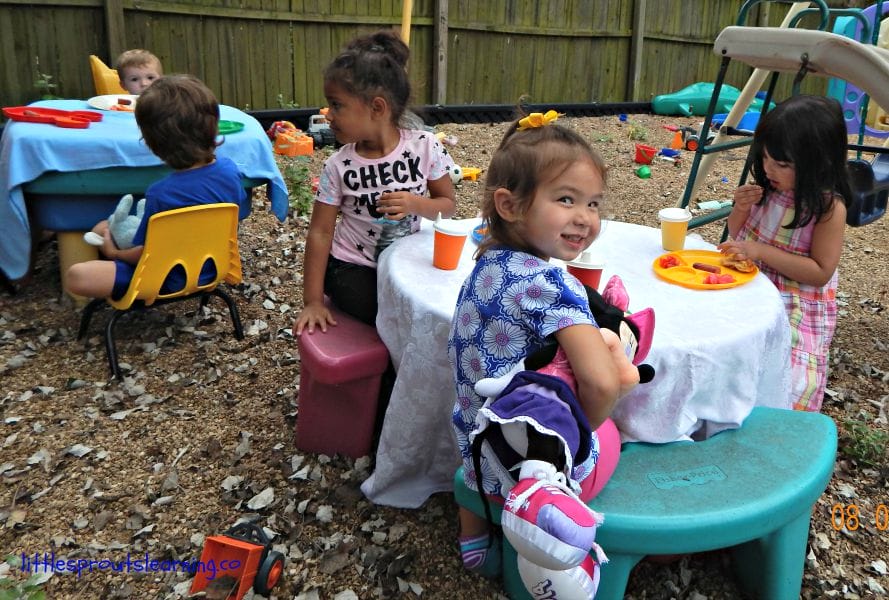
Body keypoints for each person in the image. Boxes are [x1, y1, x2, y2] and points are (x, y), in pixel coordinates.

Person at [448, 112, 640, 585]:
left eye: (594, 204)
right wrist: (584, 430)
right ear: (509, 205)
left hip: (475, 444)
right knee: (617, 429)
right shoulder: (553, 284)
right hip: (528, 466)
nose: (585, 218)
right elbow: (601, 379)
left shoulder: (487, 261)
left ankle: (474, 535)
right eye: (566, 199)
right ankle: (558, 524)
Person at [294, 29, 457, 333]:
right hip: (352, 267)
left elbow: (447, 207)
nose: (328, 115)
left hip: (404, 261)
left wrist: (414, 203)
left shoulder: (425, 146)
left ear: (377, 108)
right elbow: (320, 232)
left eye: (337, 105)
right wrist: (312, 301)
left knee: (431, 302)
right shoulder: (338, 165)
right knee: (391, 315)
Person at [719, 94, 851, 412]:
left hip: (796, 299)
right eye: (764, 158)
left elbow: (820, 271)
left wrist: (759, 250)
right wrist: (740, 208)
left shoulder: (828, 209)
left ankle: (777, 424)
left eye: (782, 164)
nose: (769, 169)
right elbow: (739, 233)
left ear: (818, 162)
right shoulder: (769, 191)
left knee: (786, 373)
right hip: (751, 280)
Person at [65, 74, 247, 300]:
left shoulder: (161, 193)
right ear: (213, 126)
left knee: (77, 275)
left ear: (152, 143)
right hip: (213, 269)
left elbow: (146, 253)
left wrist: (115, 253)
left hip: (161, 280)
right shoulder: (230, 171)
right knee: (103, 226)